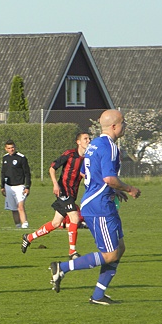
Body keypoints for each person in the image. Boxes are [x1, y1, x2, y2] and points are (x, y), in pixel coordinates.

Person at [49, 109, 141, 305]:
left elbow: (85, 173)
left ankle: (99, 295)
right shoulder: (109, 147)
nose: (125, 126)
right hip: (100, 206)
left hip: (101, 201)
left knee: (119, 248)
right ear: (114, 126)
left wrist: (112, 189)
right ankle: (62, 267)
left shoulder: (94, 145)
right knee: (110, 254)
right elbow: (109, 178)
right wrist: (129, 188)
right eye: (123, 122)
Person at [21, 132, 90, 257]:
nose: (88, 140)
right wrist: (55, 184)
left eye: (89, 138)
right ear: (78, 142)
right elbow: (52, 168)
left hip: (72, 193)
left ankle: (29, 237)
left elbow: (83, 174)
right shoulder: (69, 154)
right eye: (85, 138)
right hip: (63, 190)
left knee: (56, 223)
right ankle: (72, 252)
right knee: (75, 218)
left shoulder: (87, 158)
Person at [0, 140, 31, 228]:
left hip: (19, 186)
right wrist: (2, 186)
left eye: (12, 147)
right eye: (9, 148)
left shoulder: (21, 158)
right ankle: (18, 226)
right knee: (13, 208)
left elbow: (27, 173)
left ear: (15, 147)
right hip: (8, 186)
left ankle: (25, 224)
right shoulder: (5, 158)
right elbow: (3, 173)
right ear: (6, 149)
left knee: (20, 206)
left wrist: (27, 186)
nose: (11, 149)